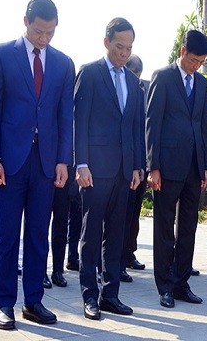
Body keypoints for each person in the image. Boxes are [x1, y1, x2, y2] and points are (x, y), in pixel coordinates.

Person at [0, 0, 74, 330]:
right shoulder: (3, 54)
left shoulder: (63, 64)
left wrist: (64, 159)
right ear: (26, 22)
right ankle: (4, 304)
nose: (43, 38)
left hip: (46, 164)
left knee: (38, 235)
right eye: (38, 31)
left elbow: (66, 116)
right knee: (6, 236)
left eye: (50, 32)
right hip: (9, 163)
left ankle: (33, 301)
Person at [75, 17, 143, 320]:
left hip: (124, 172)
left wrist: (138, 166)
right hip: (95, 170)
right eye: (119, 46)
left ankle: (110, 294)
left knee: (116, 234)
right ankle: (89, 295)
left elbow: (136, 127)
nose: (123, 53)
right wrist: (81, 163)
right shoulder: (89, 74)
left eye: (128, 48)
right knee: (91, 234)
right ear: (106, 42)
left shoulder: (132, 81)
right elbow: (80, 122)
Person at [146, 30, 207, 309]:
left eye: (201, 62)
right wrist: (153, 167)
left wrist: (205, 167)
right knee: (163, 227)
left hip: (194, 167)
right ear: (183, 51)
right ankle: (165, 286)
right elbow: (152, 123)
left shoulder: (203, 83)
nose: (197, 66)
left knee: (188, 227)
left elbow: (203, 126)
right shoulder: (163, 77)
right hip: (167, 166)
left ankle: (182, 281)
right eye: (194, 59)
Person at [120, 54, 148, 282]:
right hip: (114, 164)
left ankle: (127, 255)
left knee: (132, 214)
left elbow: (141, 131)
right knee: (115, 217)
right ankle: (112, 261)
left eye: (138, 73)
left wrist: (141, 165)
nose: (135, 76)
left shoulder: (140, 92)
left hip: (136, 165)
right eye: (132, 71)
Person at [45, 165, 80, 288]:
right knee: (41, 224)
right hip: (45, 168)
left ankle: (58, 270)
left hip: (67, 171)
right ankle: (40, 271)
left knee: (61, 223)